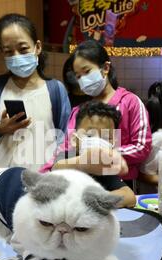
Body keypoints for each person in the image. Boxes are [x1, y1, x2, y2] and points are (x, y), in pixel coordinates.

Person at [42, 40, 152, 191]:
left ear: (105, 68)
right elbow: (66, 147)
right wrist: (47, 171)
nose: (82, 80)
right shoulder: (79, 111)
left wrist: (103, 154)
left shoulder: (130, 102)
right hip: (83, 182)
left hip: (120, 182)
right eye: (78, 76)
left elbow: (142, 146)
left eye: (86, 72)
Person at [0, 13, 71, 171]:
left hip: (45, 176)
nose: (16, 56)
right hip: (3, 173)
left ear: (37, 47)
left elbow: (65, 135)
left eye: (23, 49)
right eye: (8, 52)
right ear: (1, 52)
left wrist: (58, 170)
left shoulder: (55, 89)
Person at [52, 100, 136, 207]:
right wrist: (83, 163)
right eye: (90, 135)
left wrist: (98, 200)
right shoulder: (66, 157)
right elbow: (56, 168)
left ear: (113, 143)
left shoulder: (104, 169)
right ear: (75, 139)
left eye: (105, 137)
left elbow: (129, 196)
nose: (97, 141)